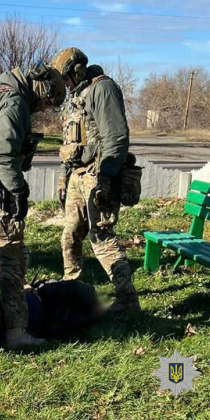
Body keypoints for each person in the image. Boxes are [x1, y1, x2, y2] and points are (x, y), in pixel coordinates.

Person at [0, 62, 66, 349]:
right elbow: (3, 156)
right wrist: (19, 191)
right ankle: (16, 332)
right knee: (12, 258)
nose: (42, 109)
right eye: (45, 103)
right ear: (41, 88)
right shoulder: (15, 102)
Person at [51, 47, 140, 316]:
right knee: (70, 235)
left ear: (77, 71)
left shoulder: (103, 89)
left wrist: (105, 177)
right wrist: (63, 178)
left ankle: (127, 299)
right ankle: (72, 287)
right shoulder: (75, 96)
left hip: (98, 176)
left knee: (101, 237)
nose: (63, 84)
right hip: (78, 176)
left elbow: (116, 137)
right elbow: (72, 143)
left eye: (65, 77)